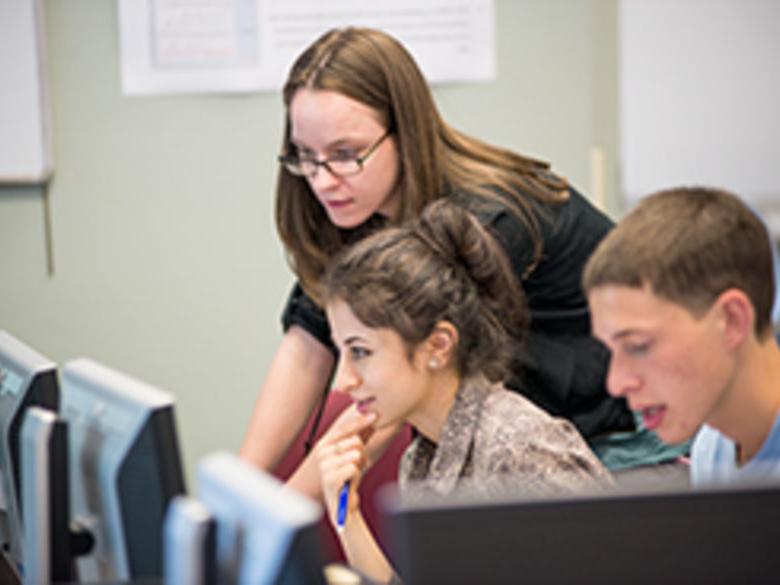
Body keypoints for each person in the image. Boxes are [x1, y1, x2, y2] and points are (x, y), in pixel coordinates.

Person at [240, 26, 657, 492]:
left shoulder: (485, 222)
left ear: (405, 132)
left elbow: (392, 390)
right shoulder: (357, 211)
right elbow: (308, 346)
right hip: (530, 439)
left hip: (620, 437)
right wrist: (237, 492)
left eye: (346, 154)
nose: (322, 181)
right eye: (305, 156)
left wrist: (275, 516)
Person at [317, 199, 612, 583]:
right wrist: (347, 516)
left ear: (438, 345)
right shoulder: (423, 457)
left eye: (361, 352)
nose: (344, 381)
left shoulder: (522, 452)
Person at [583, 186, 780, 486]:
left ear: (731, 321)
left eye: (639, 346)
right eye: (611, 351)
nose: (617, 383)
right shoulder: (712, 449)